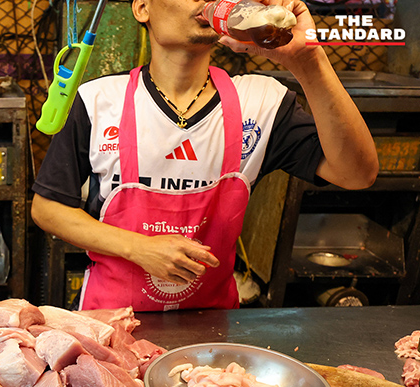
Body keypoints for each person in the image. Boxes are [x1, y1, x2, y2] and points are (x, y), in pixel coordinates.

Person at [31, 0, 378, 312]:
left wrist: (308, 60)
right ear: (142, 9)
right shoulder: (98, 100)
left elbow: (357, 174)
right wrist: (137, 248)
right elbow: (47, 207)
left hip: (211, 329)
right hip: (110, 324)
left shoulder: (261, 103)